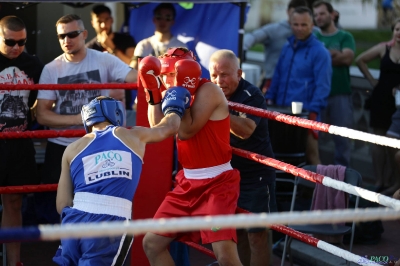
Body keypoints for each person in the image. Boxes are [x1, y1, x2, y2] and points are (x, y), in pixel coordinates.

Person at [55, 93, 190, 265]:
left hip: (73, 221)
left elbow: (62, 204)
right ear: (116, 113)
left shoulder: (72, 149)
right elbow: (170, 127)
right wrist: (175, 102)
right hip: (110, 220)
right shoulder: (131, 135)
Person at [140, 47, 242, 266]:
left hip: (218, 185)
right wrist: (153, 94)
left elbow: (186, 132)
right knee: (151, 243)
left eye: (173, 74)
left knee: (225, 258)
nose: (168, 80)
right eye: (165, 75)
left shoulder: (209, 91)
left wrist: (181, 92)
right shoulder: (171, 90)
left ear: (189, 73)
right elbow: (158, 130)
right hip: (187, 185)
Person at [35, 14, 137, 224]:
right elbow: (42, 114)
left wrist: (158, 69)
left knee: (98, 198)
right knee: (61, 202)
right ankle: (68, 248)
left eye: (72, 34)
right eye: (61, 36)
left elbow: (134, 78)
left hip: (96, 143)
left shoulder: (103, 59)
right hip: (63, 144)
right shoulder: (51, 68)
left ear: (84, 34)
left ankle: (95, 245)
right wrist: (83, 117)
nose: (67, 40)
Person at [209, 49, 276, 266]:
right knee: (236, 234)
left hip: (255, 176)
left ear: (239, 73)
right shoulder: (210, 92)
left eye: (225, 75)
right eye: (214, 75)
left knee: (257, 236)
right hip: (227, 176)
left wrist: (217, 107)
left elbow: (246, 129)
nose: (219, 81)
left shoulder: (252, 95)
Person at [0, 15, 43, 266]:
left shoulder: (33, 64)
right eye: (9, 42)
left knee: (14, 202)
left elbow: (44, 98)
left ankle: (14, 261)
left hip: (19, 141)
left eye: (22, 42)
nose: (16, 47)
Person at [265, 6, 331, 165]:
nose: (299, 28)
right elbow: (278, 76)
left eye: (304, 25)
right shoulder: (287, 47)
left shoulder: (320, 52)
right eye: (296, 24)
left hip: (306, 114)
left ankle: (320, 190)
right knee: (280, 158)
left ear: (312, 25)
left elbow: (323, 86)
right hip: (281, 111)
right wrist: (269, 98)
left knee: (312, 157)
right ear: (290, 24)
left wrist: (313, 112)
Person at [355, 18, 400, 192]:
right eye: (397, 29)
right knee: (378, 140)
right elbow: (360, 60)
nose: (399, 33)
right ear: (393, 31)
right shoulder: (384, 48)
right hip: (381, 98)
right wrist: (373, 81)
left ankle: (394, 181)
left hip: (398, 103)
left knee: (394, 143)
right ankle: (379, 180)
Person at [313, 1, 356, 167]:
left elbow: (347, 58)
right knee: (317, 138)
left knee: (343, 140)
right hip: (318, 96)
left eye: (322, 14)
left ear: (332, 14)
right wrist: (333, 55)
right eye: (316, 15)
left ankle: (342, 182)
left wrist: (323, 56)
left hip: (341, 95)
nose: (319, 18)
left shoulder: (345, 36)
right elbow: (313, 62)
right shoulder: (314, 37)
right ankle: (321, 179)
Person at [243, 0, 314, 94]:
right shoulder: (275, 30)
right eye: (294, 13)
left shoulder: (313, 33)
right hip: (271, 80)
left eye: (303, 21)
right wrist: (243, 48)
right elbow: (252, 36)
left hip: (299, 83)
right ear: (288, 11)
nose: (297, 19)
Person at [86, 4, 137, 112]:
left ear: (112, 20)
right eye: (99, 21)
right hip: (98, 102)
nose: (104, 25)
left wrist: (112, 47)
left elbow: (132, 66)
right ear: (93, 23)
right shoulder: (88, 49)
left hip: (124, 100)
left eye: (107, 20)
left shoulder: (126, 40)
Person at [129, 3, 187, 70]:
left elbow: (185, 71)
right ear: (154, 19)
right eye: (159, 17)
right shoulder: (143, 45)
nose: (163, 21)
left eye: (168, 17)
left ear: (173, 22)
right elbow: (133, 69)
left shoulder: (181, 47)